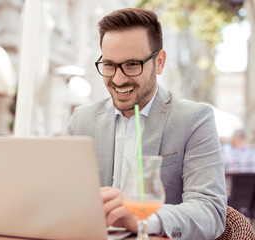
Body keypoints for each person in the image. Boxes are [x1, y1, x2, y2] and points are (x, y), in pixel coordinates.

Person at [65, 8, 227, 239]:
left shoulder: (194, 119)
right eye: (109, 65)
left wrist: (145, 217)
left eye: (132, 64)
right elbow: (61, 198)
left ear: (159, 62)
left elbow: (210, 212)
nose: (118, 80)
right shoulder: (82, 121)